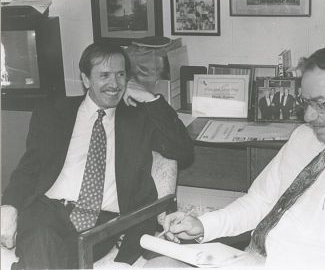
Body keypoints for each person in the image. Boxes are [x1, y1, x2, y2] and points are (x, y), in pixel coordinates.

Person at [154, 47, 325, 268]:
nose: (309, 116)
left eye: (320, 103)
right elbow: (260, 202)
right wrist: (203, 225)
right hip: (248, 260)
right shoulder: (304, 137)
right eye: (305, 102)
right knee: (159, 265)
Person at [0, 42, 194, 269]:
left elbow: (183, 151)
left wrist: (149, 98)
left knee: (53, 255)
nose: (114, 84)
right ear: (85, 79)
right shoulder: (54, 112)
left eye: (121, 75)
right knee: (40, 238)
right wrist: (9, 206)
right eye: (104, 75)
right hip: (48, 209)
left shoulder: (137, 119)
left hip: (100, 222)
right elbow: (29, 168)